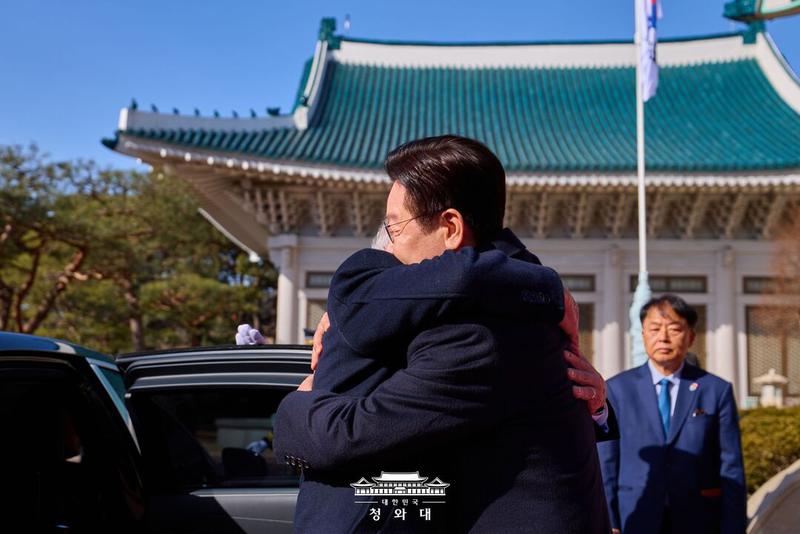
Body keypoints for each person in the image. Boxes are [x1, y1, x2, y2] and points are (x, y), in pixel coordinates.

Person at [269, 135, 611, 532]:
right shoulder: (514, 304)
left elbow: (353, 436)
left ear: (450, 227)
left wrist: (296, 405)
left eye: (396, 227)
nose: (390, 251)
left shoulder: (478, 334)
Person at [597, 294, 746, 534]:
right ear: (643, 335)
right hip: (635, 516)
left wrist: (734, 528)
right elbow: (606, 464)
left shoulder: (716, 390)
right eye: (654, 329)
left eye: (674, 329)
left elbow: (731, 467)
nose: (663, 337)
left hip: (699, 519)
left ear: (691, 337)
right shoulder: (616, 390)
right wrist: (609, 523)